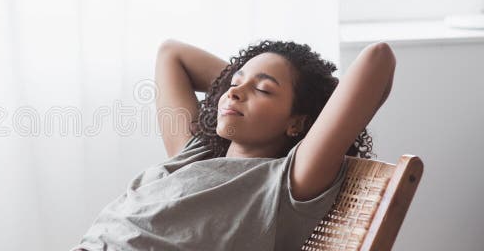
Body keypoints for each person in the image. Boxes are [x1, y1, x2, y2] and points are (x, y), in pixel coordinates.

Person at [71, 39, 395, 250]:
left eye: (264, 90)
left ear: (297, 121)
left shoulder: (285, 184)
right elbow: (171, 53)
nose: (234, 92)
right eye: (234, 83)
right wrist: (249, 86)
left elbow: (378, 58)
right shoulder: (193, 153)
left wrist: (313, 99)